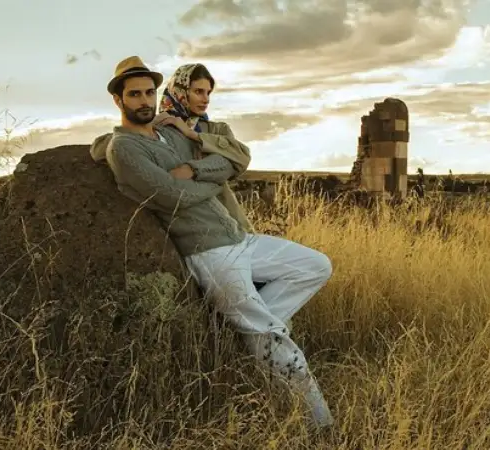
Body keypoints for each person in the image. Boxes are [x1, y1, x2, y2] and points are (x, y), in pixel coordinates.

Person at [92, 56, 335, 429]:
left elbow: (228, 165)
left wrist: (195, 171)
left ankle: (247, 334)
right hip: (209, 249)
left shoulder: (168, 131)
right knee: (269, 334)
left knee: (316, 266)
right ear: (118, 100)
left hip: (238, 237)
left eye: (148, 93)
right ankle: (321, 423)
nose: (144, 101)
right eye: (134, 94)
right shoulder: (124, 148)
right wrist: (208, 182)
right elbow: (172, 196)